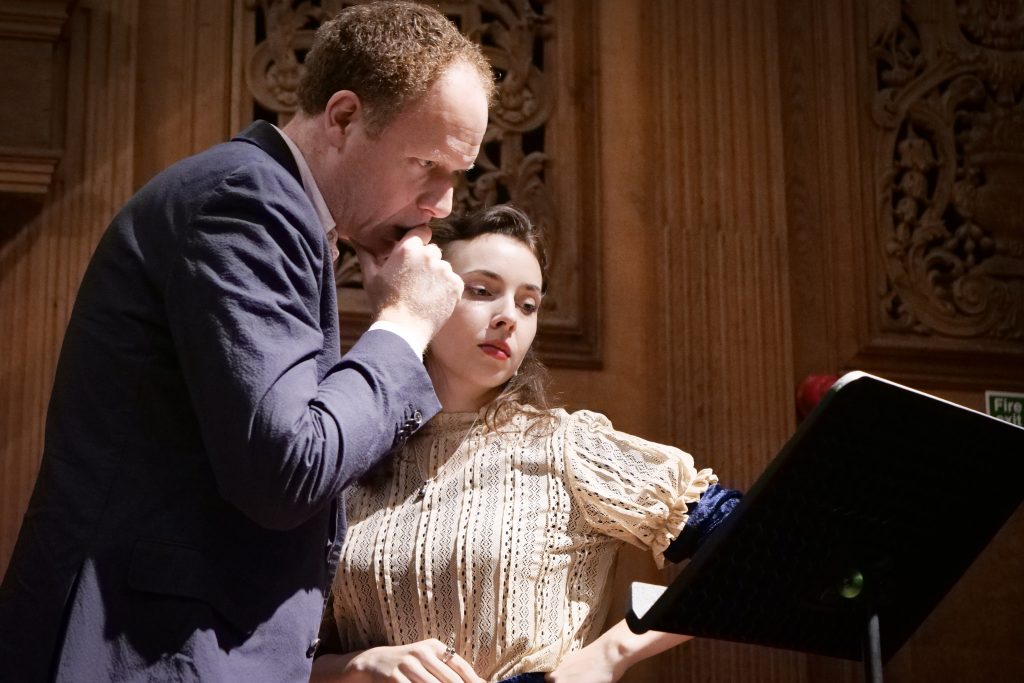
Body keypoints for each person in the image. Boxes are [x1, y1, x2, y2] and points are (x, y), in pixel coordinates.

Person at [0, 2, 493, 682]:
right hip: (138, 653)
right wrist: (408, 321)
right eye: (428, 165)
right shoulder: (248, 200)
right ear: (344, 118)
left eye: (456, 177)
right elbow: (285, 468)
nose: (441, 204)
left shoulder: (272, 206)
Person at [310, 205, 741, 683]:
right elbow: (277, 650)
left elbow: (750, 543)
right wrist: (356, 664)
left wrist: (613, 651)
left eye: (528, 304)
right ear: (424, 297)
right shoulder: (351, 457)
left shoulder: (567, 448)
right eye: (482, 291)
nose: (508, 318)